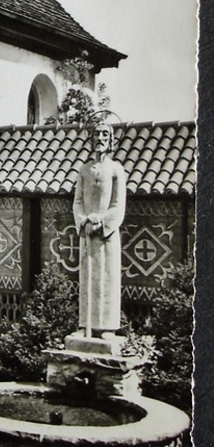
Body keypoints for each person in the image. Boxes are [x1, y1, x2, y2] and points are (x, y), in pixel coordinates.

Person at [73, 121, 127, 338]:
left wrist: (100, 222)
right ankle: (84, 326)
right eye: (97, 134)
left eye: (105, 134)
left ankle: (107, 328)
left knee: (107, 278)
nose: (101, 138)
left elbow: (118, 205)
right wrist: (84, 220)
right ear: (91, 138)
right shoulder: (84, 170)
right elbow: (77, 201)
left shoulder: (116, 170)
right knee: (87, 278)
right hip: (86, 233)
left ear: (111, 139)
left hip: (107, 235)